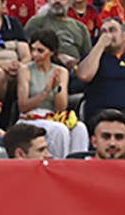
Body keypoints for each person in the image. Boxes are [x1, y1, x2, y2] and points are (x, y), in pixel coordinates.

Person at [17, 29, 88, 159]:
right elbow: (23, 106)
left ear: (52, 52)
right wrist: (45, 92)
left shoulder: (61, 71)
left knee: (80, 128)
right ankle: (59, 168)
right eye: (33, 50)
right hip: (30, 116)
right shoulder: (25, 70)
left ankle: (77, 167)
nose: (34, 55)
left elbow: (61, 107)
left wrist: (55, 90)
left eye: (40, 51)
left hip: (52, 116)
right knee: (60, 130)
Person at [76, 18, 125, 128]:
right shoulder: (94, 58)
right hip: (103, 115)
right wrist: (100, 45)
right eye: (103, 32)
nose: (107, 35)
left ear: (124, 36)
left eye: (112, 30)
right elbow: (84, 75)